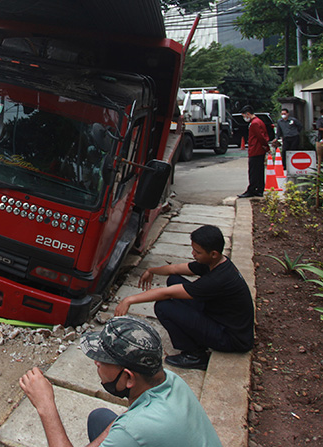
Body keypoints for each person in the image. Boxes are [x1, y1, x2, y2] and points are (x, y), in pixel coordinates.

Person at [18, 316, 222, 447]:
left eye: (104, 360)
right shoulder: (171, 381)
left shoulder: (135, 428)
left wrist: (46, 406)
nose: (96, 362)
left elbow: (130, 428)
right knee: (100, 418)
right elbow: (127, 423)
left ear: (128, 377)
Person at [114, 225, 254, 371]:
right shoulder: (216, 263)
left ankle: (195, 355)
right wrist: (151, 270)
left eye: (198, 252)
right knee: (173, 279)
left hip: (231, 339)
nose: (193, 254)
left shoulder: (217, 280)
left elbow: (167, 293)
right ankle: (197, 341)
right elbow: (174, 269)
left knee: (163, 307)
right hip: (220, 317)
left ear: (213, 253)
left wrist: (129, 300)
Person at [237, 105, 268, 198]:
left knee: (254, 171)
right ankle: (259, 189)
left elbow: (261, 137)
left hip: (255, 149)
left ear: (248, 114)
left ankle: (252, 189)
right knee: (259, 171)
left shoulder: (254, 123)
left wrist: (265, 146)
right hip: (259, 149)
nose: (244, 118)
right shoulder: (258, 121)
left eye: (244, 116)